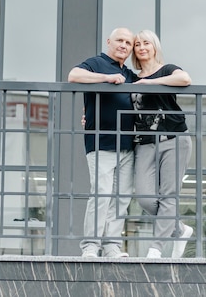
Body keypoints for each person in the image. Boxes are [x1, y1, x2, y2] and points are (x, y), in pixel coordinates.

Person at [68, 27, 138, 258]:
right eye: (119, 40)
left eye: (128, 43)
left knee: (121, 199)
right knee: (101, 194)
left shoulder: (129, 73)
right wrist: (106, 78)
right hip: (101, 142)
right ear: (109, 41)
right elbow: (74, 76)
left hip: (128, 145)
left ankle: (111, 247)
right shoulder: (97, 63)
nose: (123, 46)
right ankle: (91, 246)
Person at [131, 29, 193, 259]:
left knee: (169, 195)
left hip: (174, 138)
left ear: (155, 46)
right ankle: (179, 229)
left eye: (146, 43)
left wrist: (150, 82)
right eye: (137, 44)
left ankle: (156, 248)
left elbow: (185, 79)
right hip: (145, 142)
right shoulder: (131, 76)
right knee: (145, 198)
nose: (142, 47)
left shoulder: (167, 70)